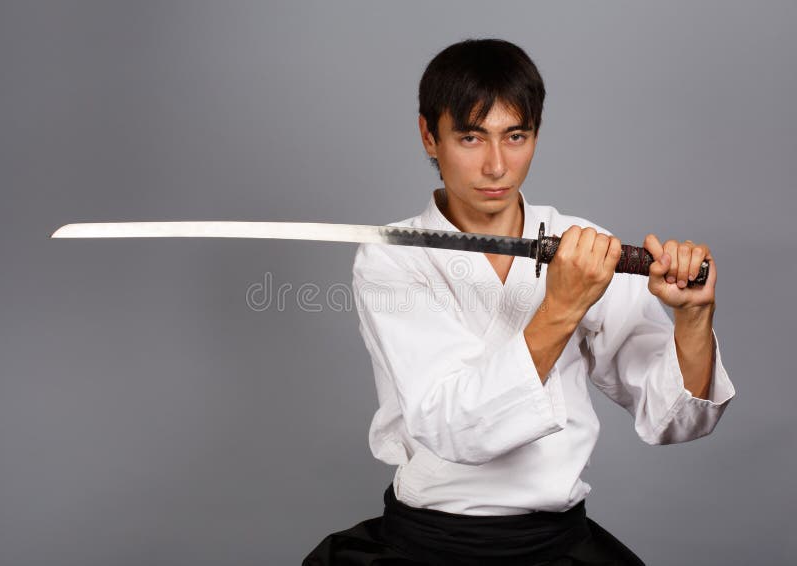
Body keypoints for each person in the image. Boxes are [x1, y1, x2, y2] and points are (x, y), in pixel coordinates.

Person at [303, 38, 735, 566]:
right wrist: (562, 307)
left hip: (557, 547)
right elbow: (454, 427)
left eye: (516, 136)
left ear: (535, 134)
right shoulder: (392, 258)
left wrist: (692, 317)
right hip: (427, 546)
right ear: (428, 135)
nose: (496, 166)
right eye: (470, 137)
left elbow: (676, 419)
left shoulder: (584, 245)